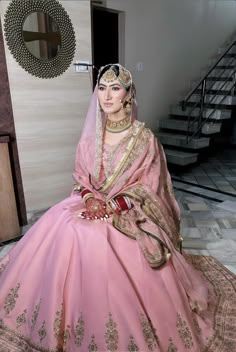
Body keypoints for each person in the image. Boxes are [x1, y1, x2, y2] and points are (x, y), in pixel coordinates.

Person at [0, 64, 235, 352]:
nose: (107, 96)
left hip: (128, 209)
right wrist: (90, 198)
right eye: (102, 88)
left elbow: (150, 186)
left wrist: (112, 205)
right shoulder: (90, 139)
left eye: (115, 88)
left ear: (128, 94)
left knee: (95, 237)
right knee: (64, 227)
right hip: (91, 203)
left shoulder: (144, 139)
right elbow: (80, 179)